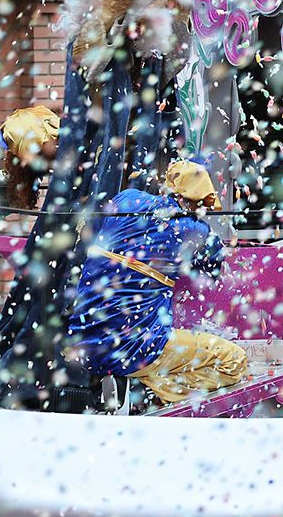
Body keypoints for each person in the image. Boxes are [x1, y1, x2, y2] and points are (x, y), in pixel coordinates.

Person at [66, 161, 249, 405]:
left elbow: (96, 232)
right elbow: (213, 268)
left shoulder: (126, 198)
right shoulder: (195, 229)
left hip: (82, 340)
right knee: (234, 361)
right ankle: (144, 391)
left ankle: (129, 385)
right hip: (134, 347)